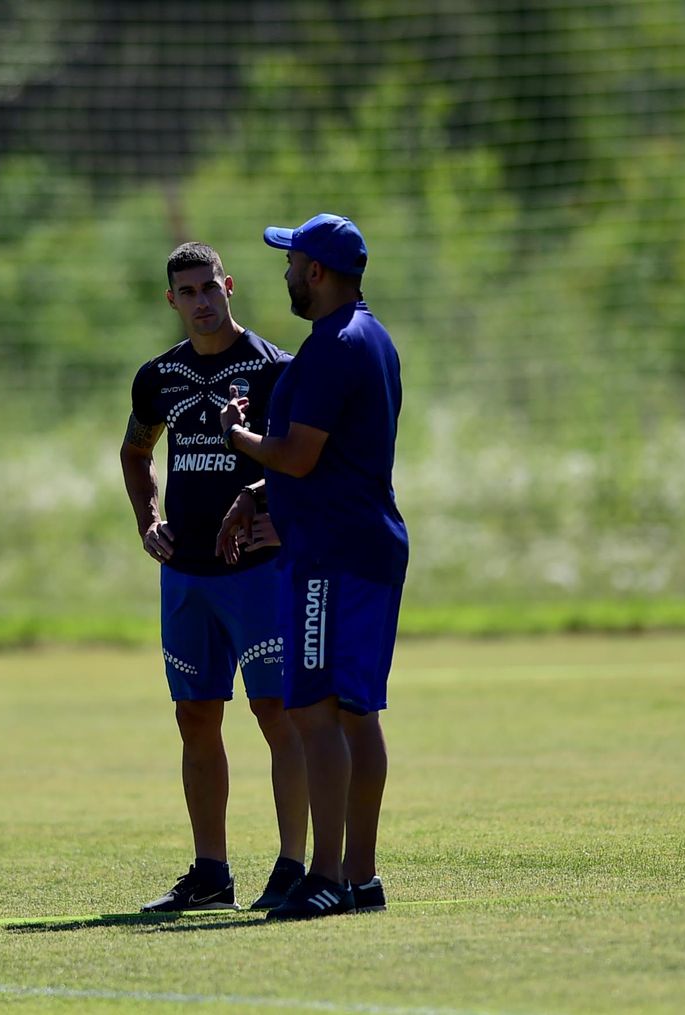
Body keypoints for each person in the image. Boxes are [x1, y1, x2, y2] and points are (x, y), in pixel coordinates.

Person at [216, 213, 408, 921]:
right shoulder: (371, 336)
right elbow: (331, 455)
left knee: (315, 709)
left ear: (318, 273)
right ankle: (360, 878)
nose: (287, 272)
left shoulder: (332, 345)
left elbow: (297, 452)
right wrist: (258, 490)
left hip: (332, 553)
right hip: (364, 543)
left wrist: (240, 436)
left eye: (293, 261)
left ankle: (324, 875)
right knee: (356, 712)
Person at [121, 241, 308, 913]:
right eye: (187, 292)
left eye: (210, 287)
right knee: (195, 714)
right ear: (171, 301)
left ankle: (292, 866)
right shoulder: (159, 376)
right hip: (186, 576)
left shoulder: (273, 368)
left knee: (275, 711)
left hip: (257, 572)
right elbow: (136, 450)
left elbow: (305, 458)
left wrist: (277, 514)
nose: (202, 301)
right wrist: (148, 521)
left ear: (229, 285)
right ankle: (210, 872)